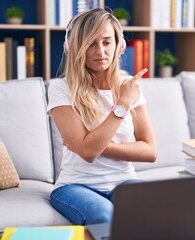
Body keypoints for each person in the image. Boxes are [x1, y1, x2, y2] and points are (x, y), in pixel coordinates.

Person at [46, 8, 157, 225]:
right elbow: (88, 153)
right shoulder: (61, 88)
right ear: (75, 47)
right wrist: (123, 104)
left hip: (124, 181)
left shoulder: (130, 87)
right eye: (90, 43)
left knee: (157, 209)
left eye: (107, 42)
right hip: (75, 186)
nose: (100, 51)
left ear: (119, 45)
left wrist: (94, 144)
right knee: (105, 216)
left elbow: (150, 151)